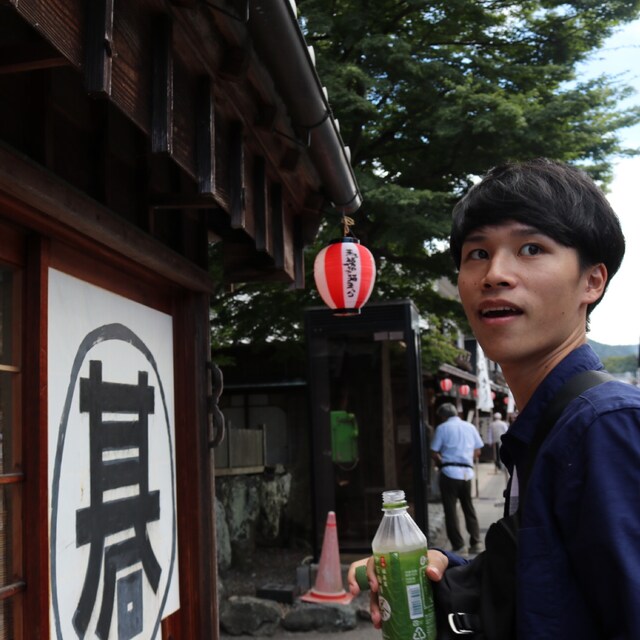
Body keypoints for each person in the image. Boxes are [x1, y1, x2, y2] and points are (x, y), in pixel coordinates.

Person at [347, 158, 640, 638]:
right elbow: (557, 588)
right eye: (477, 253)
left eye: (531, 248)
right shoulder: (546, 425)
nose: (494, 274)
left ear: (592, 281)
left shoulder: (603, 425)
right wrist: (454, 572)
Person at [430, 403, 483, 555]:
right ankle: (476, 542)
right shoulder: (470, 427)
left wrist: (440, 461)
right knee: (468, 507)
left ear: (443, 416)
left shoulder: (442, 428)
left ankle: (459, 545)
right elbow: (478, 451)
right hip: (467, 473)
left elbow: (434, 452)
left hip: (449, 472)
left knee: (451, 510)